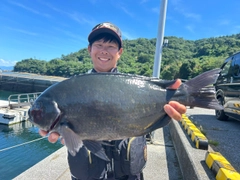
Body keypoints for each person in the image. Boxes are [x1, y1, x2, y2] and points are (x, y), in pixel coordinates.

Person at [39, 22, 186, 180]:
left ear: (119, 52)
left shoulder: (133, 86)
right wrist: (68, 136)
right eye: (99, 44)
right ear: (89, 49)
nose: (104, 50)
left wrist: (170, 108)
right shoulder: (70, 89)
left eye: (110, 46)